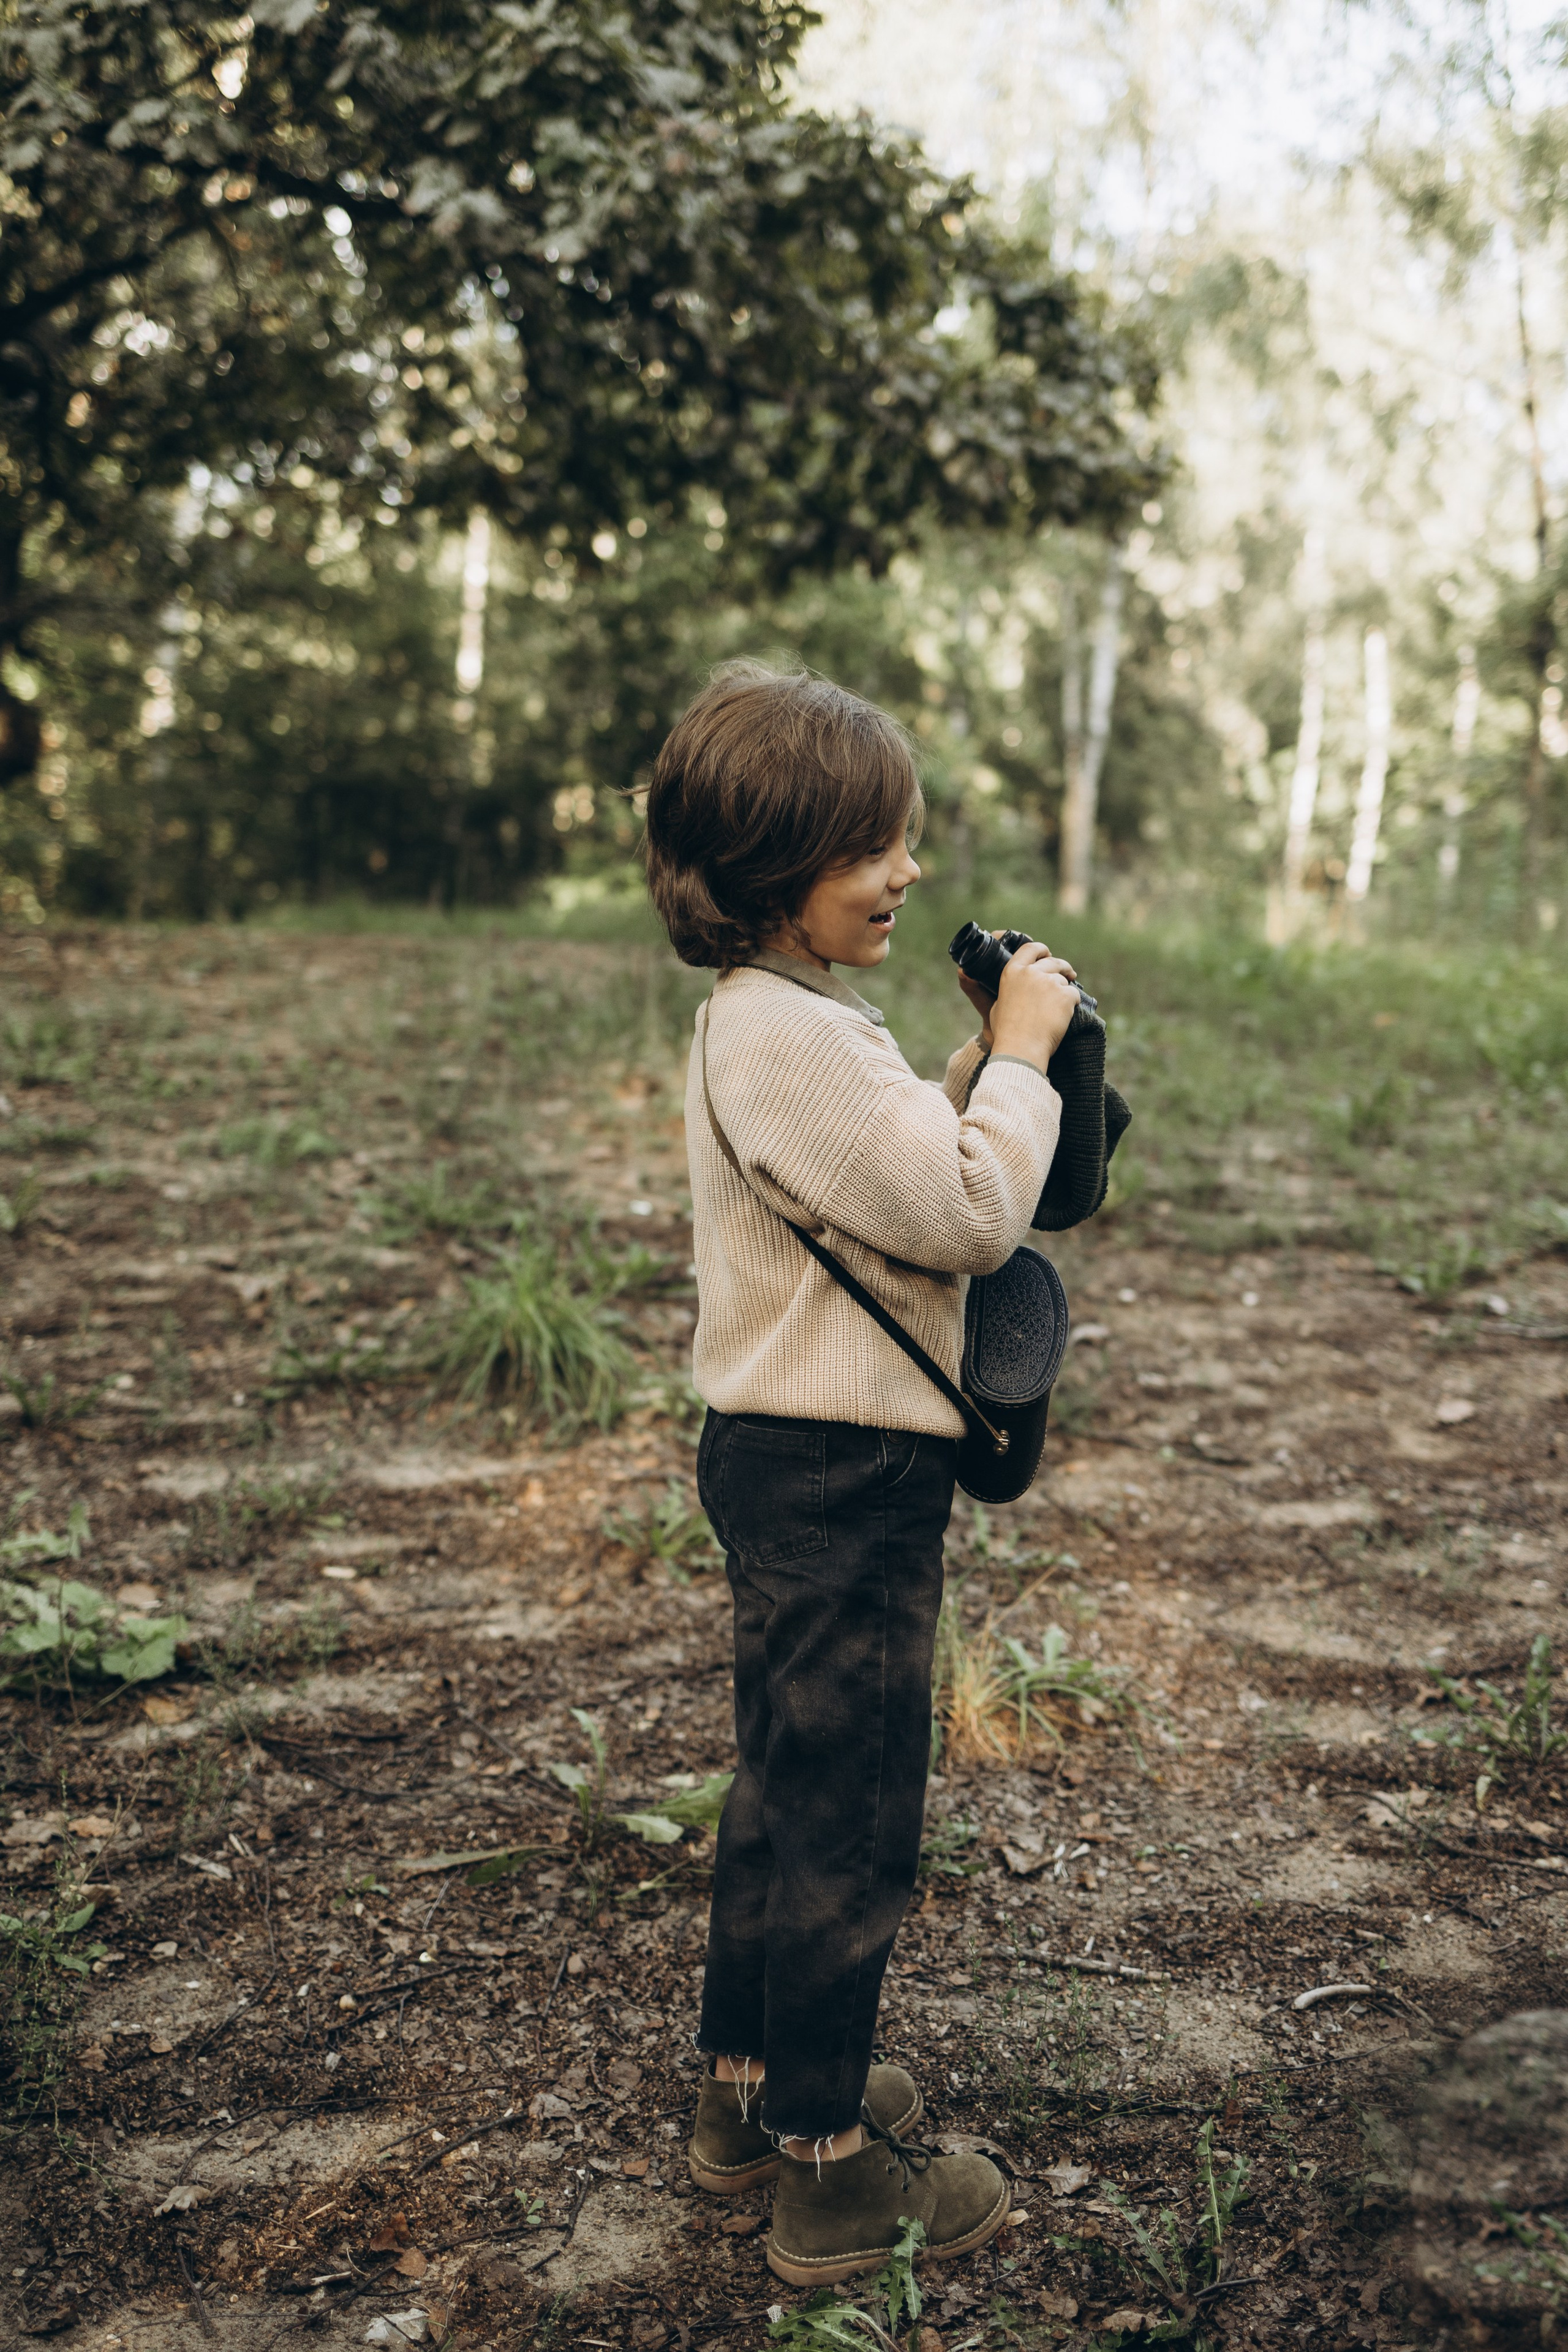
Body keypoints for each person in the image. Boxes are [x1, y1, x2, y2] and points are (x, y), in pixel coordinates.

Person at [642, 662, 1079, 2287]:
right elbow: (970, 1219)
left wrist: (968, 1078)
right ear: (768, 874)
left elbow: (890, 1170)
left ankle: (749, 2095)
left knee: (782, 1785)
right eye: (874, 852)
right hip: (841, 1480)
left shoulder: (789, 1019)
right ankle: (832, 2177)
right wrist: (1027, 1063)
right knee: (848, 1816)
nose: (908, 873)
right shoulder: (791, 1036)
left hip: (790, 1460)